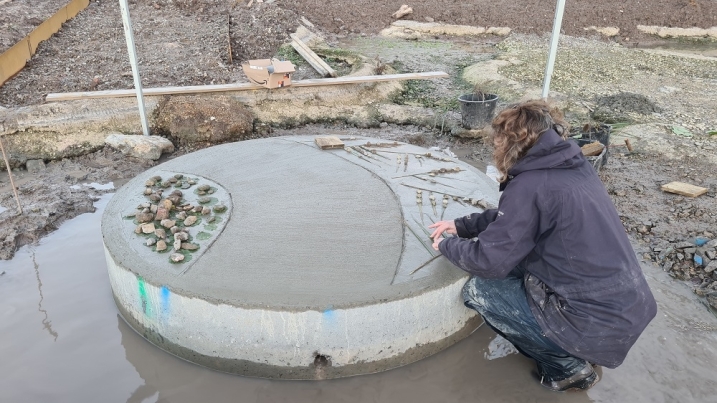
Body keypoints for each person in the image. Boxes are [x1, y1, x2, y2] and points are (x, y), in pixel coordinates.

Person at [429, 100, 657, 392]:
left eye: (497, 142)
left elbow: (488, 262)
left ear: (514, 144)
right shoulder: (571, 165)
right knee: (520, 264)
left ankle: (568, 369)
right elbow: (515, 219)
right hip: (625, 309)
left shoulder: (531, 185)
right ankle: (576, 348)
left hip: (596, 322)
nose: (494, 149)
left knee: (481, 291)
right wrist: (461, 225)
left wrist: (448, 246)